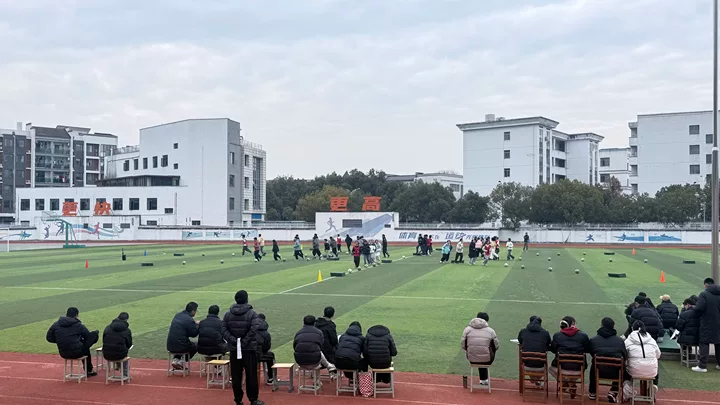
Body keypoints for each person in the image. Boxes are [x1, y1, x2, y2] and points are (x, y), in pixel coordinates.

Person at [221, 290, 264, 405]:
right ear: (246, 299)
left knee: (236, 376)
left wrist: (235, 341)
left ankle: (238, 400)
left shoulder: (228, 314)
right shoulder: (252, 314)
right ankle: (253, 399)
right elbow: (253, 329)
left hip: (235, 349)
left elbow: (224, 330)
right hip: (248, 349)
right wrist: (243, 342)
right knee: (251, 375)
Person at [47, 307, 99, 376]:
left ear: (66, 314)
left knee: (83, 345)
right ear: (76, 315)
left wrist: (61, 340)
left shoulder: (56, 324)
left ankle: (89, 370)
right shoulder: (78, 325)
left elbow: (49, 338)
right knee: (93, 334)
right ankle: (89, 370)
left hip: (63, 353)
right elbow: (88, 336)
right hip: (77, 353)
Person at [587, 317, 626, 402]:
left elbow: (590, 351)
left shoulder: (594, 340)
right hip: (616, 373)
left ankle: (593, 391)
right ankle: (614, 391)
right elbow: (624, 356)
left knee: (594, 362)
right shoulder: (620, 341)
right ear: (613, 327)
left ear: (601, 325)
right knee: (622, 365)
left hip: (599, 371)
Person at [549, 316, 589, 399]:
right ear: (573, 324)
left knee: (551, 369)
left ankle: (565, 382)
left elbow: (553, 349)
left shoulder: (557, 335)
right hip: (578, 369)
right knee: (577, 367)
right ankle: (571, 384)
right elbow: (587, 349)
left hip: (562, 368)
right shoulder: (583, 336)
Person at [461, 312, 499, 385]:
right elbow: (496, 346)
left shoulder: (467, 330)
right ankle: (484, 379)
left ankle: (483, 379)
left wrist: (470, 350)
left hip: (471, 358)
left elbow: (463, 345)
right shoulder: (490, 331)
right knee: (485, 352)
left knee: (478, 352)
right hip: (487, 359)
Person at [692, 277, 720, 372]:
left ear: (706, 285)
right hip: (718, 323)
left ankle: (702, 366)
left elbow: (699, 308)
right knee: (718, 343)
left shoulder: (704, 294)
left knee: (704, 342)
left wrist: (693, 308)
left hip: (707, 322)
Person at [625, 320, 660, 394]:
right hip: (652, 372)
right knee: (655, 363)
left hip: (633, 371)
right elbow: (658, 355)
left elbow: (625, 355)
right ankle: (654, 384)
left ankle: (628, 388)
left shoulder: (628, 340)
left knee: (625, 367)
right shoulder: (652, 340)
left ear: (632, 328)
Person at [166, 302, 199, 369]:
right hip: (181, 346)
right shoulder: (189, 319)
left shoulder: (177, 315)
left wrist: (193, 323)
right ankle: (182, 361)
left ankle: (176, 359)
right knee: (196, 345)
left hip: (170, 345)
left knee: (180, 340)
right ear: (193, 311)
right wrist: (198, 326)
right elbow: (193, 334)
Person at [256, 314, 275, 385]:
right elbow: (267, 346)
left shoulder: (249, 330)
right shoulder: (266, 333)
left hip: (248, 354)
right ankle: (271, 377)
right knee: (271, 356)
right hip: (261, 355)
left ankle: (237, 378)